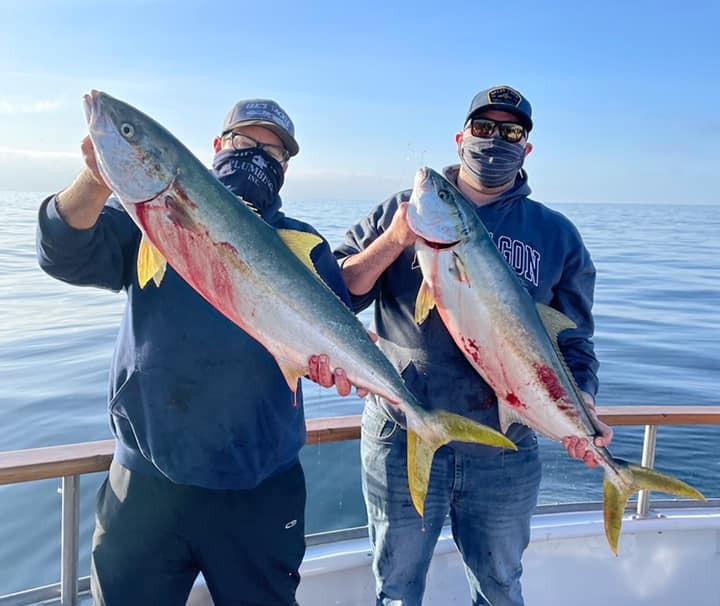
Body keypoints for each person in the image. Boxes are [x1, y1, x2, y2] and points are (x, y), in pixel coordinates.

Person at [36, 98, 353, 606]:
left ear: (287, 169)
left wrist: (329, 366)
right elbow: (62, 253)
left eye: (274, 152)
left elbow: (334, 334)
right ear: (217, 146)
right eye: (246, 141)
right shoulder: (143, 216)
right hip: (146, 481)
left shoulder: (302, 242)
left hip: (261, 485)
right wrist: (97, 178)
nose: (258, 157)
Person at [320, 85, 614, 606]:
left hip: (505, 445)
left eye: (511, 132)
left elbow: (575, 340)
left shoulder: (556, 235)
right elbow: (334, 296)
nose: (495, 140)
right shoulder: (397, 210)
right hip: (401, 432)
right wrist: (394, 240)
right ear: (460, 138)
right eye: (483, 129)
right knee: (396, 586)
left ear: (526, 149)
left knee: (500, 586)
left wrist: (582, 402)